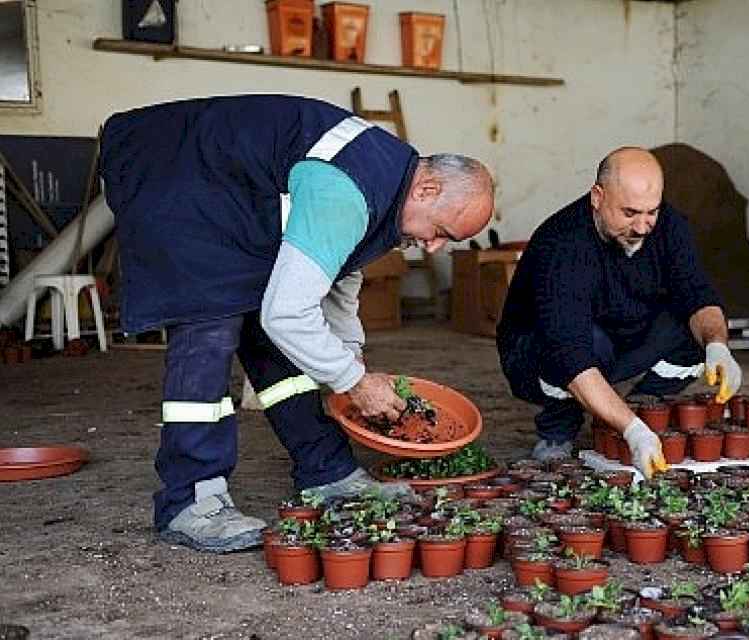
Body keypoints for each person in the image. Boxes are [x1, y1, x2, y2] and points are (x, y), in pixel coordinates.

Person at [98, 95, 495, 552]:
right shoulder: (348, 188)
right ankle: (190, 500)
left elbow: (340, 272)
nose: (434, 248)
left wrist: (348, 356)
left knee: (276, 340)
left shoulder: (387, 185)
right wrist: (354, 380)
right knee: (210, 328)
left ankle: (329, 473)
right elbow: (288, 312)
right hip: (173, 176)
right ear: (428, 191)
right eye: (443, 231)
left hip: (229, 195)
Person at [496, 147, 741, 478]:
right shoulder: (563, 246)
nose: (642, 226)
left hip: (621, 333)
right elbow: (570, 353)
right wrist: (632, 431)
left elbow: (697, 294)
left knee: (694, 329)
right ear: (598, 197)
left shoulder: (669, 227)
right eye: (629, 213)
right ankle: (558, 428)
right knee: (580, 349)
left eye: (650, 212)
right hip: (541, 353)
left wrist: (718, 346)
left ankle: (641, 410)